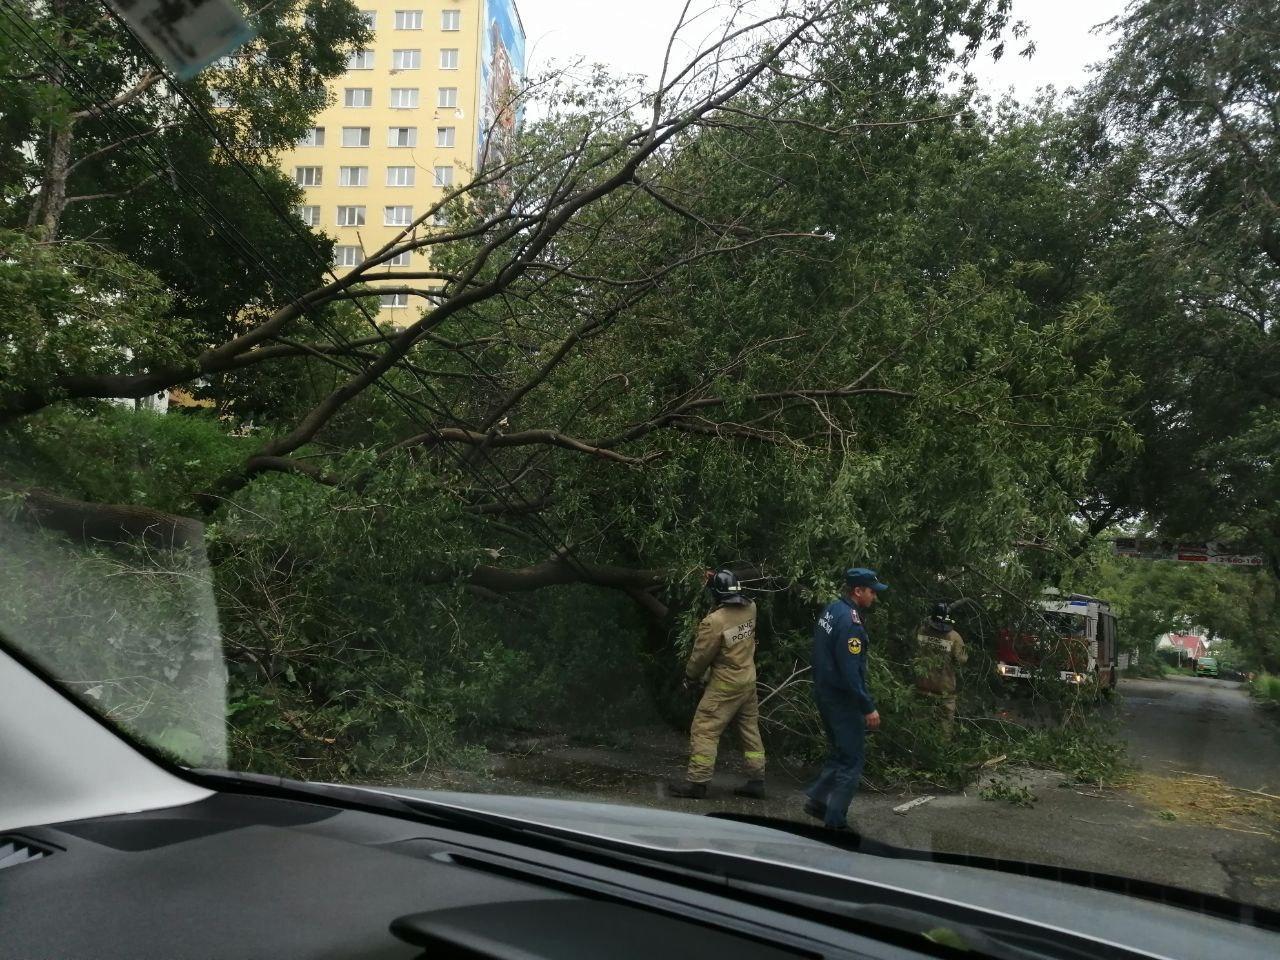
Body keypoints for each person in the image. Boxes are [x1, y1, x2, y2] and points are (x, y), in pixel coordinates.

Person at [669, 569, 767, 800]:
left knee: (704, 729)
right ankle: (757, 781)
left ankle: (698, 783)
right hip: (748, 681)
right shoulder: (751, 608)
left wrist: (690, 678)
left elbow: (701, 657)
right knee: (749, 729)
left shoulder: (714, 622)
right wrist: (716, 579)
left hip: (725, 686)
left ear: (716, 594)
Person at [805, 567, 887, 830]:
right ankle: (836, 821)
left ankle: (818, 801)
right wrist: (867, 707)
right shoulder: (851, 623)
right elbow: (851, 672)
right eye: (872, 592)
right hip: (843, 699)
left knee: (839, 753)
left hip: (824, 692)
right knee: (851, 760)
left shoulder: (831, 610)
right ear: (858, 591)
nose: (874, 597)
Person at [914, 602, 967, 735]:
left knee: (920, 728)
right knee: (944, 729)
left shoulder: (921, 630)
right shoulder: (954, 637)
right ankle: (942, 752)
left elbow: (914, 647)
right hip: (945, 691)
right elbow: (962, 660)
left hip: (923, 686)